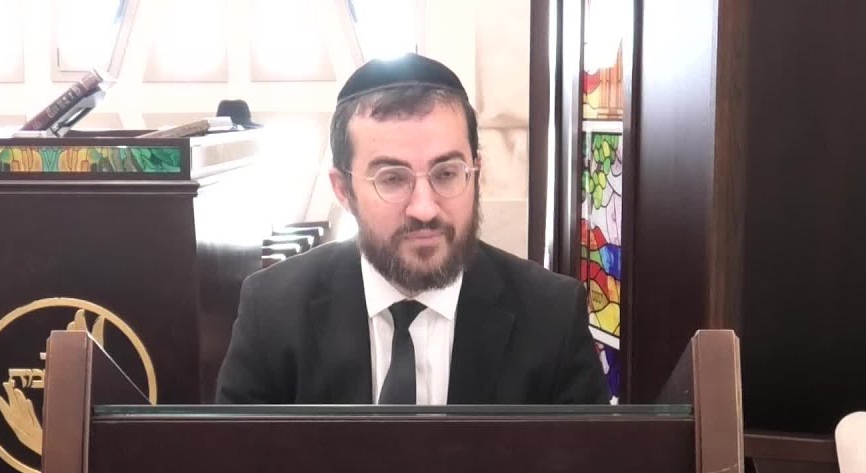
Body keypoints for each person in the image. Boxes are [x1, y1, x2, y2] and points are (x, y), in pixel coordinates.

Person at [215, 53, 609, 405]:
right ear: (343, 189)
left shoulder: (552, 318)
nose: (424, 208)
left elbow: (584, 466)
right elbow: (234, 463)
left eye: (447, 173)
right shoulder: (273, 312)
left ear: (476, 173)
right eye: (392, 179)